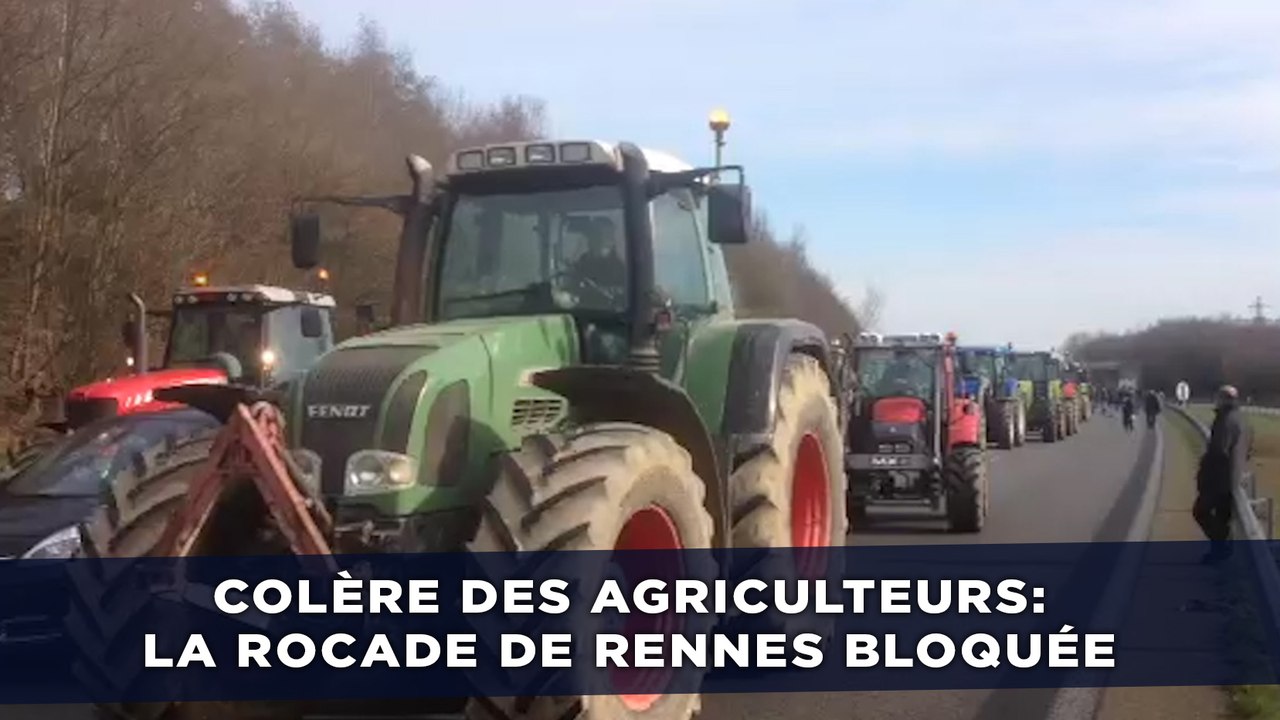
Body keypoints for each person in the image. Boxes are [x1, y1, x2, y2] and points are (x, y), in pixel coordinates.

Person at [1193, 385, 1249, 563]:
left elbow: (1218, 450)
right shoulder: (1239, 418)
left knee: (1201, 512)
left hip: (1219, 479)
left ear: (1223, 399)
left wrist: (1205, 471)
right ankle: (1221, 549)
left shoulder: (1225, 420)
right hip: (1231, 476)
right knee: (1221, 517)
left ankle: (1221, 549)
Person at [564, 216, 627, 307]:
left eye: (601, 234)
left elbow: (624, 292)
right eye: (593, 234)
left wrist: (597, 289)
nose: (596, 238)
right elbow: (572, 286)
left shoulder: (617, 267)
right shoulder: (583, 261)